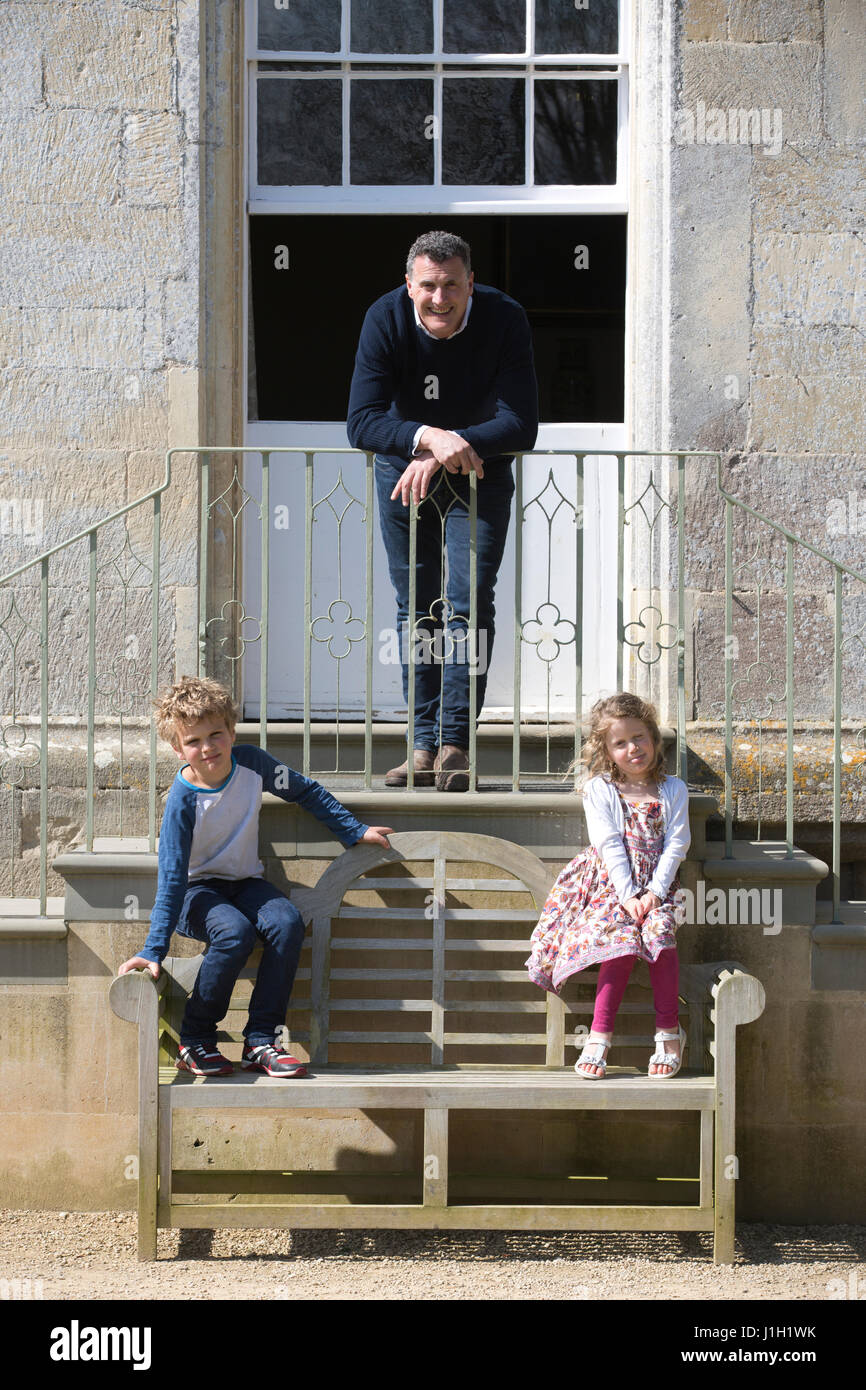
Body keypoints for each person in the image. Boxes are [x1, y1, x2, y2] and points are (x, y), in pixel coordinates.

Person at [117, 676, 393, 1077]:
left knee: (286, 921)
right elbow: (173, 877)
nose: (207, 748)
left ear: (231, 731)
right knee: (235, 933)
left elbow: (305, 791)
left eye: (216, 734)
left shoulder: (252, 763)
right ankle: (194, 1040)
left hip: (245, 882)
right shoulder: (182, 801)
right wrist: (154, 948)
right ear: (178, 749)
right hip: (197, 892)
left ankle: (261, 1040)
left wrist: (353, 831)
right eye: (193, 742)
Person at [347, 229, 538, 791]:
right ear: (409, 285)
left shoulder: (504, 318)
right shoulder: (384, 318)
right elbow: (361, 421)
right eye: (427, 286)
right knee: (416, 608)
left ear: (470, 283)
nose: (439, 298)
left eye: (451, 285)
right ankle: (422, 745)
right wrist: (428, 437)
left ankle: (456, 743)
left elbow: (521, 423)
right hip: (405, 473)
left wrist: (446, 446)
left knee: (467, 604)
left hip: (480, 473)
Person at [525, 692, 691, 1079]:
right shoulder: (600, 789)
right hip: (610, 884)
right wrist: (629, 894)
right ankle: (599, 1035)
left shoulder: (673, 789)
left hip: (659, 886)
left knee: (660, 932)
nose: (633, 748)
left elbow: (678, 843)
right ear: (606, 749)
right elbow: (609, 844)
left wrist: (652, 893)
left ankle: (668, 1031)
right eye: (621, 743)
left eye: (640, 738)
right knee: (617, 940)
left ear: (653, 738)